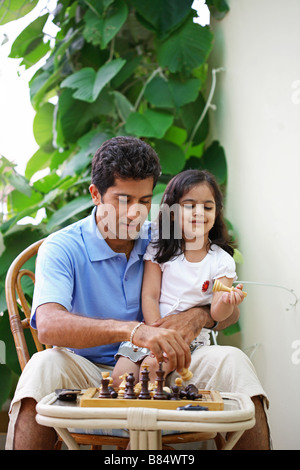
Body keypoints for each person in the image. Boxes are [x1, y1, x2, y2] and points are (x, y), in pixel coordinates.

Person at [5, 136, 270, 450]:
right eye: (122, 199)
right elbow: (48, 324)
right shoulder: (62, 247)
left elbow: (228, 310)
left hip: (168, 365)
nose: (136, 213)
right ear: (95, 194)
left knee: (233, 362)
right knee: (42, 366)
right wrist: (134, 331)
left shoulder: (164, 237)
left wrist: (198, 315)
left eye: (144, 201)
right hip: (89, 373)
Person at [112, 169, 246, 384]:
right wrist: (157, 335)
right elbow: (150, 295)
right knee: (120, 378)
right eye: (190, 206)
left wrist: (228, 302)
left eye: (207, 207)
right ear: (172, 212)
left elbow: (218, 314)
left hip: (188, 339)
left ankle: (156, 414)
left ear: (216, 212)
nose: (199, 212)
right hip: (151, 330)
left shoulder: (221, 261)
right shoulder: (159, 249)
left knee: (152, 368)